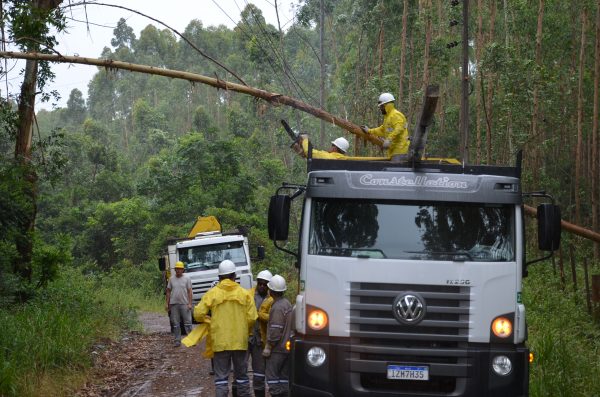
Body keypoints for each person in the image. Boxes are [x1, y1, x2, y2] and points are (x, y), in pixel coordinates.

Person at [194, 260, 258, 397]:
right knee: (242, 377)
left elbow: (198, 314)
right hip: (240, 342)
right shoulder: (244, 294)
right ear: (234, 276)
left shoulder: (212, 294)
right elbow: (252, 317)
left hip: (220, 342)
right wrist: (242, 328)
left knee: (221, 379)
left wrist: (209, 320)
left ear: (219, 277)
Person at [263, 275, 293, 397]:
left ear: (271, 291)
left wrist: (269, 346)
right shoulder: (287, 303)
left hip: (278, 349)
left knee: (272, 376)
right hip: (286, 348)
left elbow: (276, 330)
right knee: (283, 377)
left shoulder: (277, 307)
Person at [361, 92, 409, 160]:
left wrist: (389, 139)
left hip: (401, 151)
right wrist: (369, 130)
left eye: (381, 106)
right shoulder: (388, 117)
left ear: (386, 105)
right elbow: (382, 130)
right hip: (394, 151)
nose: (380, 108)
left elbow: (399, 128)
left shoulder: (396, 115)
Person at [248, 270, 274, 397]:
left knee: (259, 373)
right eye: (260, 284)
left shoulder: (273, 299)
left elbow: (274, 317)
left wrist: (259, 315)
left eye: (265, 284)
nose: (262, 286)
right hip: (246, 338)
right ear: (257, 283)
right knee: (240, 371)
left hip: (261, 340)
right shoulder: (248, 295)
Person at [165, 261, 193, 347]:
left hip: (184, 303)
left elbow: (189, 291)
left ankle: (191, 340)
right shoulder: (171, 279)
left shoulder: (187, 278)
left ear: (183, 270)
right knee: (175, 323)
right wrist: (167, 303)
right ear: (175, 269)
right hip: (174, 304)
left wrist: (190, 303)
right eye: (177, 269)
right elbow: (168, 291)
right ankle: (177, 341)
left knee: (188, 322)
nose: (178, 270)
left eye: (180, 269)